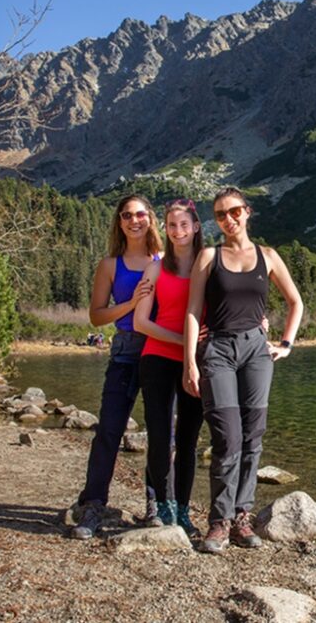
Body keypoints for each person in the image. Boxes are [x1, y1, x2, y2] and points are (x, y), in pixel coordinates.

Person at [183, 187, 303, 554]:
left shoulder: (267, 256)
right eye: (220, 214)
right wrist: (190, 360)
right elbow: (192, 310)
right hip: (217, 349)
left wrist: (285, 343)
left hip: (256, 350)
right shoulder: (208, 256)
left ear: (247, 212)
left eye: (234, 211)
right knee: (227, 437)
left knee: (253, 436)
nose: (228, 219)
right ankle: (218, 522)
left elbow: (295, 301)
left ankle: (242, 516)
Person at [70, 194, 162, 540]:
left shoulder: (164, 260)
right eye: (127, 215)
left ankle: (156, 504)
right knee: (109, 429)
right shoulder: (110, 265)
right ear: (119, 222)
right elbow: (96, 317)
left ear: (150, 219)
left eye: (140, 214)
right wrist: (131, 303)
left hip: (159, 350)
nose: (134, 220)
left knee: (161, 431)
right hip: (124, 350)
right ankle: (93, 504)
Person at [132, 198, 205, 538]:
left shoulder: (209, 265)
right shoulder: (156, 268)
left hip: (196, 363)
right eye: (171, 225)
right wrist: (182, 340)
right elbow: (141, 322)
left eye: (184, 225)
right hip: (158, 358)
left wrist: (258, 320)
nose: (178, 231)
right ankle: (163, 508)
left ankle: (185, 513)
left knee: (189, 440)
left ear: (196, 227)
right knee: (161, 437)